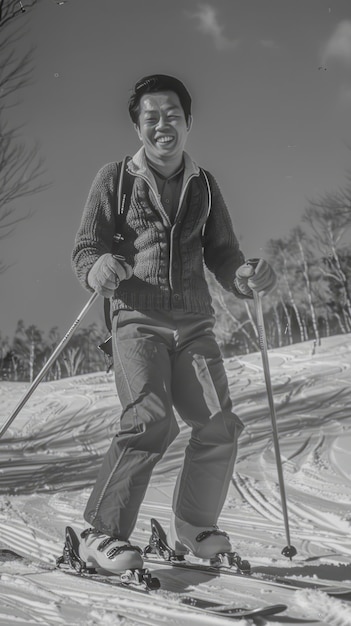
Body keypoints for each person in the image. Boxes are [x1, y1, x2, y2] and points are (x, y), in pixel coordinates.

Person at [72, 74, 276, 574]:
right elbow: (86, 249)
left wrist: (245, 275)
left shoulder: (203, 184)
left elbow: (224, 253)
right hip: (136, 320)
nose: (163, 124)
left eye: (173, 115)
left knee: (219, 423)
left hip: (194, 324)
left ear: (188, 122)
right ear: (137, 125)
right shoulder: (115, 178)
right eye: (152, 116)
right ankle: (101, 534)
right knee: (150, 418)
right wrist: (97, 267)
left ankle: (194, 527)